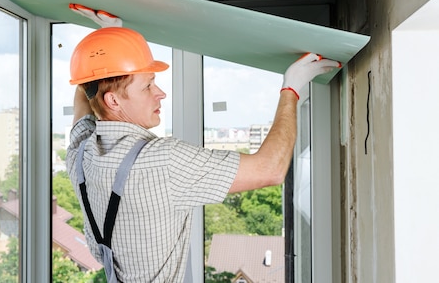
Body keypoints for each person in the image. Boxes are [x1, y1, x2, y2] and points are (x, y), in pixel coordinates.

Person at [66, 26, 340, 282]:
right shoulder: (161, 161)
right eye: (147, 85)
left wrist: (108, 43)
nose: (160, 93)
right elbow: (270, 169)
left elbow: (86, 96)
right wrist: (291, 88)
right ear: (113, 101)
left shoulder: (80, 154)